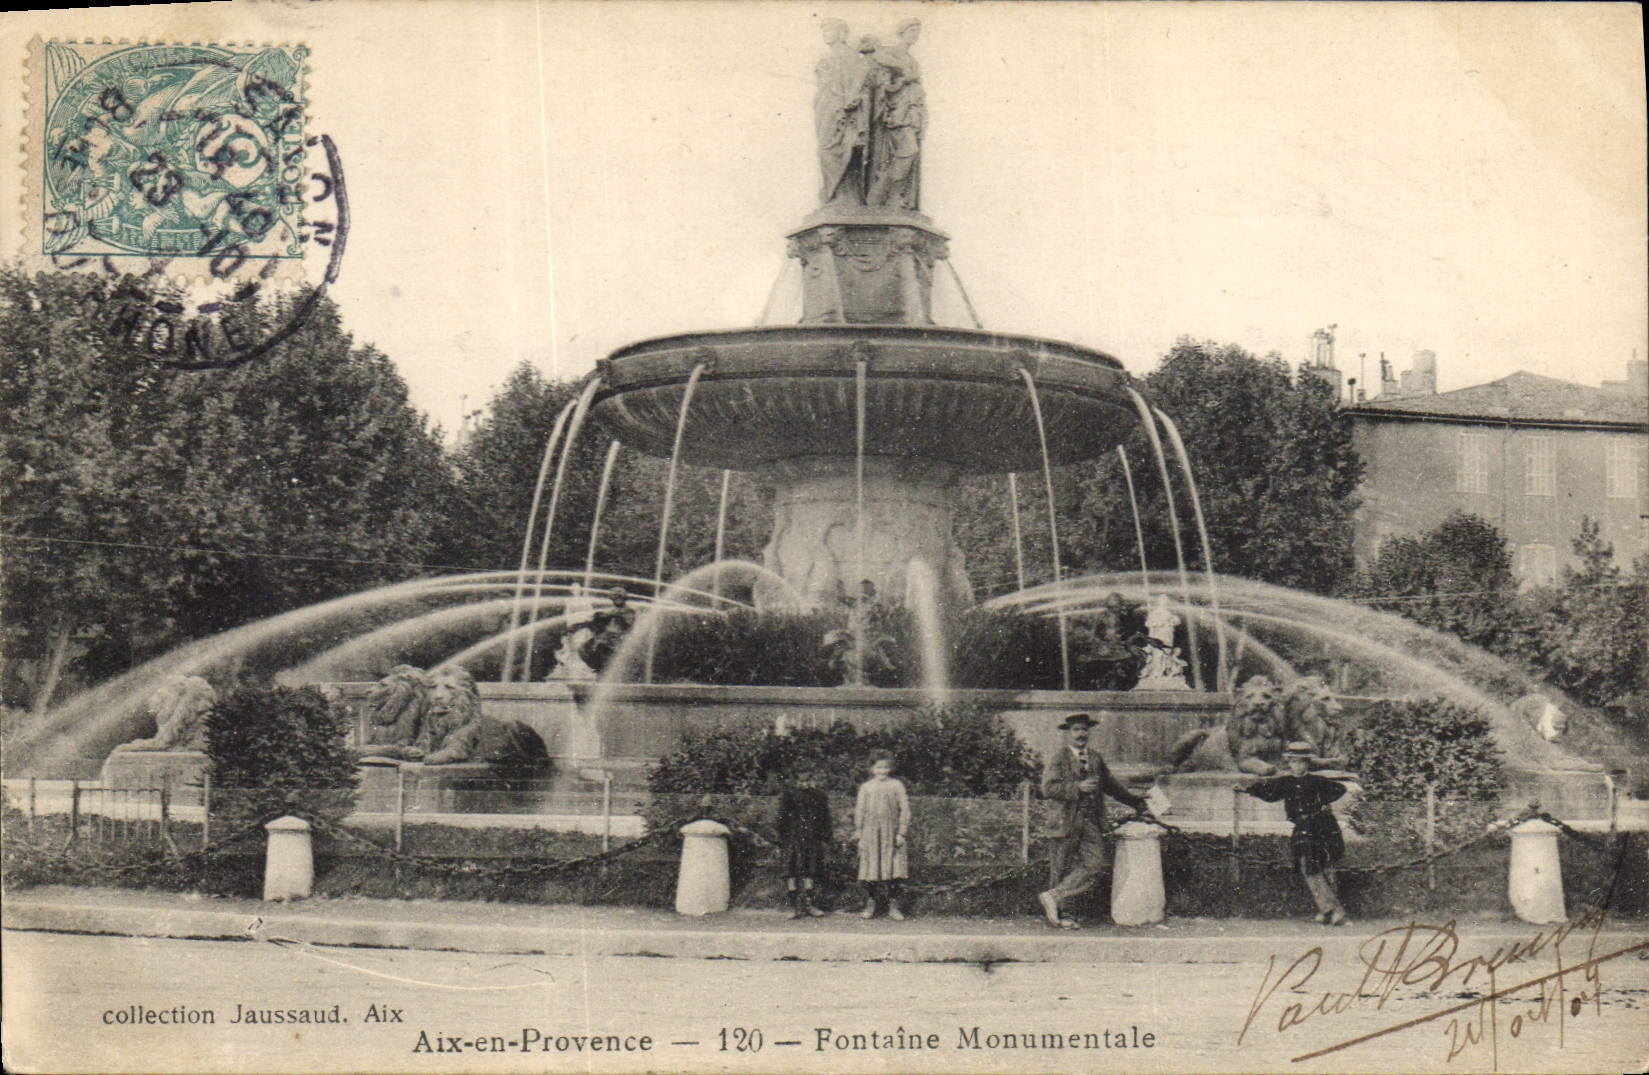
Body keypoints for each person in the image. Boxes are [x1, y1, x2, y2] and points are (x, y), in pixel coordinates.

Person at [1038, 713, 1148, 929]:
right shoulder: (1059, 757)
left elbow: (1111, 786)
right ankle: (1063, 916)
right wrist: (1077, 788)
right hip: (1065, 820)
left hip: (1090, 820)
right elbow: (1048, 788)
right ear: (1067, 733)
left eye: (1084, 730)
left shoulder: (1095, 758)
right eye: (1076, 730)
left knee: (1094, 865)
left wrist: (1137, 802)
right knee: (1062, 867)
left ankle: (1054, 896)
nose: (1081, 734)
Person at [1238, 741, 1350, 925]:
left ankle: (1333, 909)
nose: (1298, 766)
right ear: (1289, 763)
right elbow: (1270, 793)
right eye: (1294, 762)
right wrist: (1247, 789)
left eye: (1302, 762)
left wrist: (1323, 803)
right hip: (1303, 827)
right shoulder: (1286, 782)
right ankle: (1329, 909)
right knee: (1308, 865)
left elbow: (1340, 789)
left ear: (1308, 764)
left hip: (1322, 826)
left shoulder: (1316, 781)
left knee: (1319, 864)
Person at [854, 753, 910, 919]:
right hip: (870, 833)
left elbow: (905, 808)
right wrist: (859, 831)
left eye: (885, 767)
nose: (882, 771)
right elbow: (860, 810)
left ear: (890, 768)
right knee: (871, 869)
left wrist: (901, 832)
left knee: (893, 869)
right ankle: (871, 904)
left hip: (890, 832)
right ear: (872, 769)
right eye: (879, 767)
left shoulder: (896, 785)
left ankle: (894, 906)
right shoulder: (866, 787)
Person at [776, 764, 831, 919]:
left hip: (812, 837)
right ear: (794, 780)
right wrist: (781, 837)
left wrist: (826, 836)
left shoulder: (819, 796)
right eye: (800, 780)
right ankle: (793, 906)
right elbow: (781, 818)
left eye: (807, 779)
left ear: (812, 779)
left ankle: (809, 904)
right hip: (792, 837)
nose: (803, 783)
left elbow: (825, 817)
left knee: (810, 871)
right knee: (790, 871)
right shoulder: (788, 795)